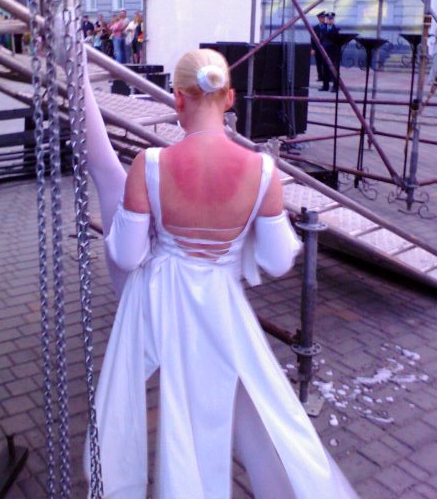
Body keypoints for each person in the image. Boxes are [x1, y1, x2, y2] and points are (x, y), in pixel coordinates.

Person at [82, 46, 359, 498]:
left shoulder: (149, 165)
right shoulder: (263, 170)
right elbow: (276, 261)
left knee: (162, 406)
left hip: (159, 303)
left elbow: (128, 257)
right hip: (221, 307)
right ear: (229, 98)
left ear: (177, 98)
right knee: (242, 406)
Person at [319, 12, 341, 92]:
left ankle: (335, 87)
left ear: (333, 20)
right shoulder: (323, 29)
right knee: (325, 69)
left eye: (331, 19)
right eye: (328, 19)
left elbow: (338, 41)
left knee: (334, 70)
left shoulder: (337, 29)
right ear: (326, 19)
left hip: (334, 52)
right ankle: (325, 86)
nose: (330, 20)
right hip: (325, 51)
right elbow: (321, 40)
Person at [310, 11, 327, 83]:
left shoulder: (327, 26)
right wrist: (313, 48)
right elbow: (312, 39)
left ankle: (327, 77)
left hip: (326, 48)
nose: (322, 19)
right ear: (318, 18)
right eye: (321, 18)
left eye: (323, 18)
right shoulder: (315, 28)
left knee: (326, 63)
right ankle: (320, 76)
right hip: (317, 48)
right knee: (318, 62)